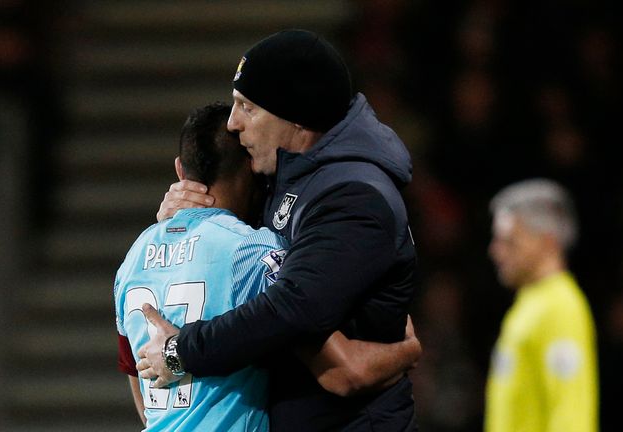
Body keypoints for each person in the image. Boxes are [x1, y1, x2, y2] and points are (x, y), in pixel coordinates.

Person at [137, 29, 418, 431]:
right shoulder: (287, 178)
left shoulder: (356, 198)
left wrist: (183, 350)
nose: (233, 124)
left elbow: (295, 310)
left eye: (247, 108)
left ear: (296, 116)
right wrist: (185, 215)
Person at [485, 178, 598, 432]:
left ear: (548, 243)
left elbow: (571, 414)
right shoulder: (528, 303)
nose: (496, 251)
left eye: (510, 241)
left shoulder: (561, 307)